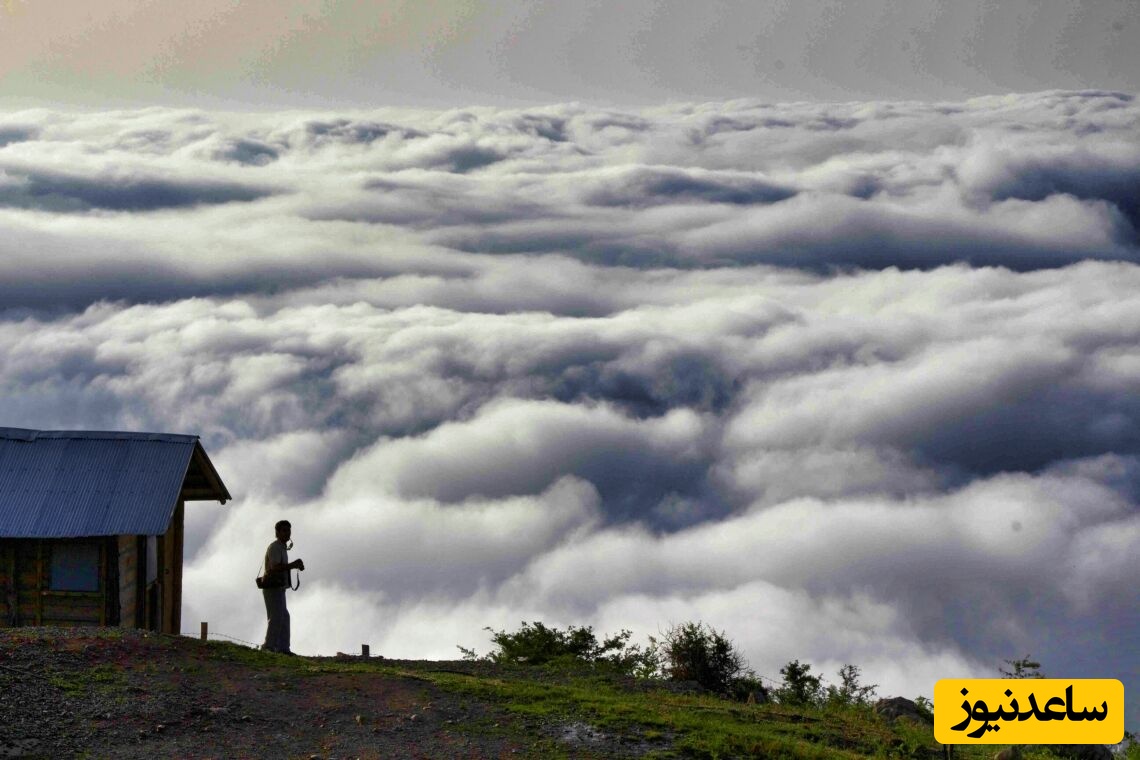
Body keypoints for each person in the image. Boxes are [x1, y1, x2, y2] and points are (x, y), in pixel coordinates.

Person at [261, 519, 304, 654]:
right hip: (272, 586)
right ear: (277, 532)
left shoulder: (282, 547)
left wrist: (293, 565)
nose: (287, 533)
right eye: (284, 530)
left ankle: (283, 648)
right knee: (276, 616)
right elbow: (274, 568)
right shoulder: (275, 547)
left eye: (289, 530)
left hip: (279, 587)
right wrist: (293, 565)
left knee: (284, 616)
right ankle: (269, 646)